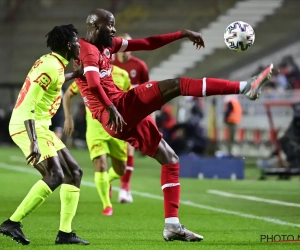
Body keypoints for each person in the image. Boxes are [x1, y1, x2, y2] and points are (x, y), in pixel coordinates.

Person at [75, 8, 273, 242]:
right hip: (117, 108)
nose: (114, 30)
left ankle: (172, 225)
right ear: (96, 27)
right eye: (110, 25)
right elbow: (94, 85)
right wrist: (111, 107)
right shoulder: (86, 50)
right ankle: (245, 87)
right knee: (177, 85)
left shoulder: (107, 46)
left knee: (170, 159)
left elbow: (147, 43)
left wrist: (181, 34)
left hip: (118, 116)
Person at [0, 24, 89, 246]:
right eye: (77, 41)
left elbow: (56, 80)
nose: (80, 44)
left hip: (40, 126)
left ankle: (65, 234)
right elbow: (30, 103)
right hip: (27, 125)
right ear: (69, 45)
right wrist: (33, 143)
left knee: (74, 173)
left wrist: (76, 74)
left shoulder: (52, 62)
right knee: (55, 175)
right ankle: (12, 223)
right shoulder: (50, 66)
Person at [63, 64, 131, 216]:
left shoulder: (123, 74)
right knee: (100, 165)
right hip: (95, 130)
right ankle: (107, 206)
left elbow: (130, 98)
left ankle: (107, 180)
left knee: (121, 169)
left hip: (117, 129)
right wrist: (68, 118)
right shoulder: (88, 74)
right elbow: (68, 94)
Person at [113, 33, 152, 203]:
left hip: (132, 114)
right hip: (112, 115)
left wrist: (151, 117)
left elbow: (148, 93)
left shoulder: (140, 66)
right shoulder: (109, 65)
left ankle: (124, 188)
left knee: (129, 149)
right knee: (112, 154)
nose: (125, 51)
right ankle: (107, 187)